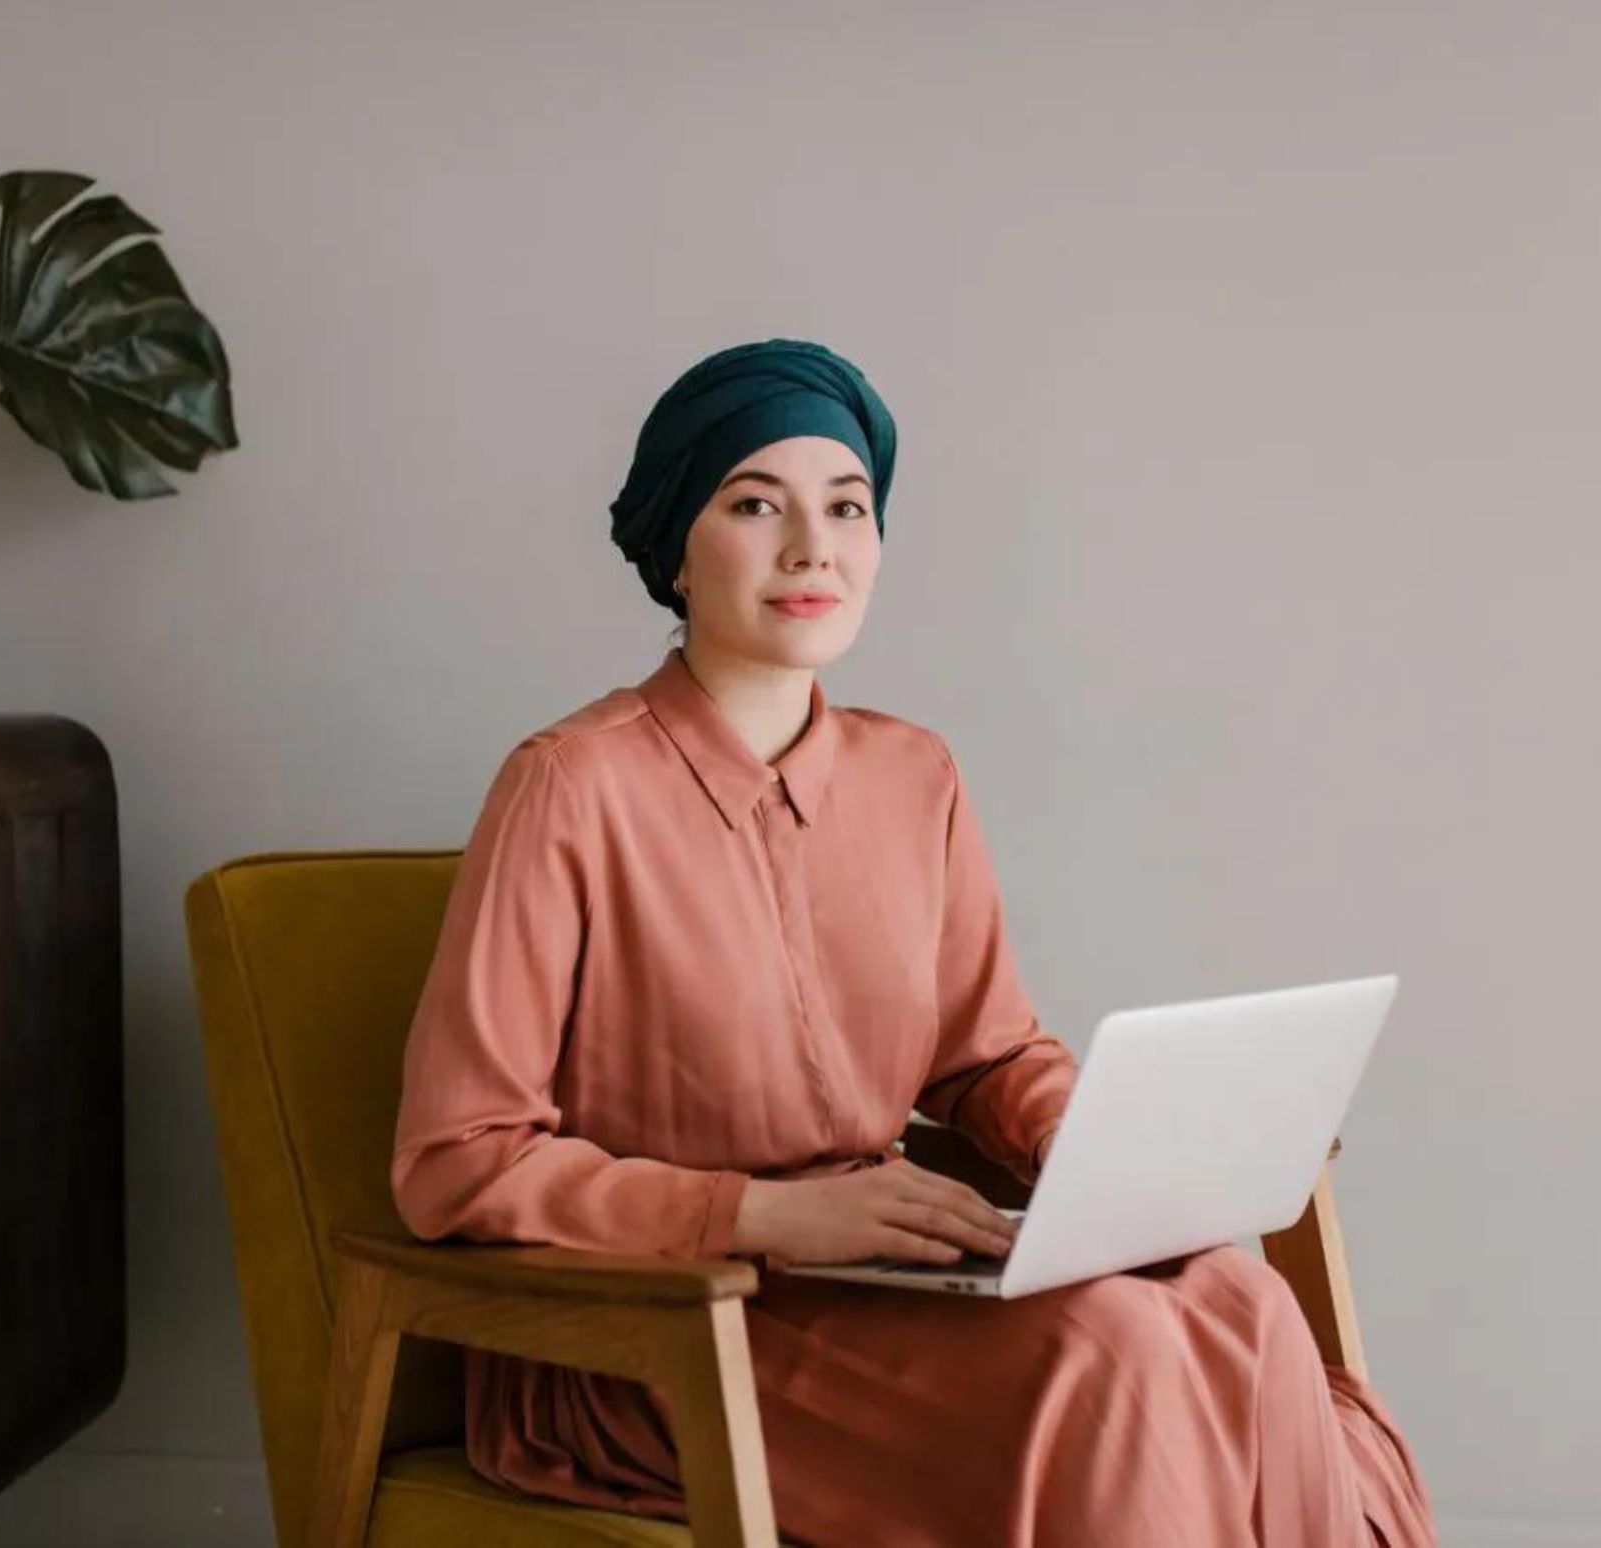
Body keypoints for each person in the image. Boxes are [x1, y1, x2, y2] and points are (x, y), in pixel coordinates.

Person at [389, 338, 1437, 1547]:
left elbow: (983, 1056)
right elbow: (455, 1160)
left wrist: (1113, 1147)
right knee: (1115, 1361)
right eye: (751, 505)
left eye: (845, 507)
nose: (810, 549)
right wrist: (761, 1217)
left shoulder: (912, 775)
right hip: (664, 1326)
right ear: (677, 544)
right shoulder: (568, 788)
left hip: (887, 1275)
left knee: (1232, 1301)